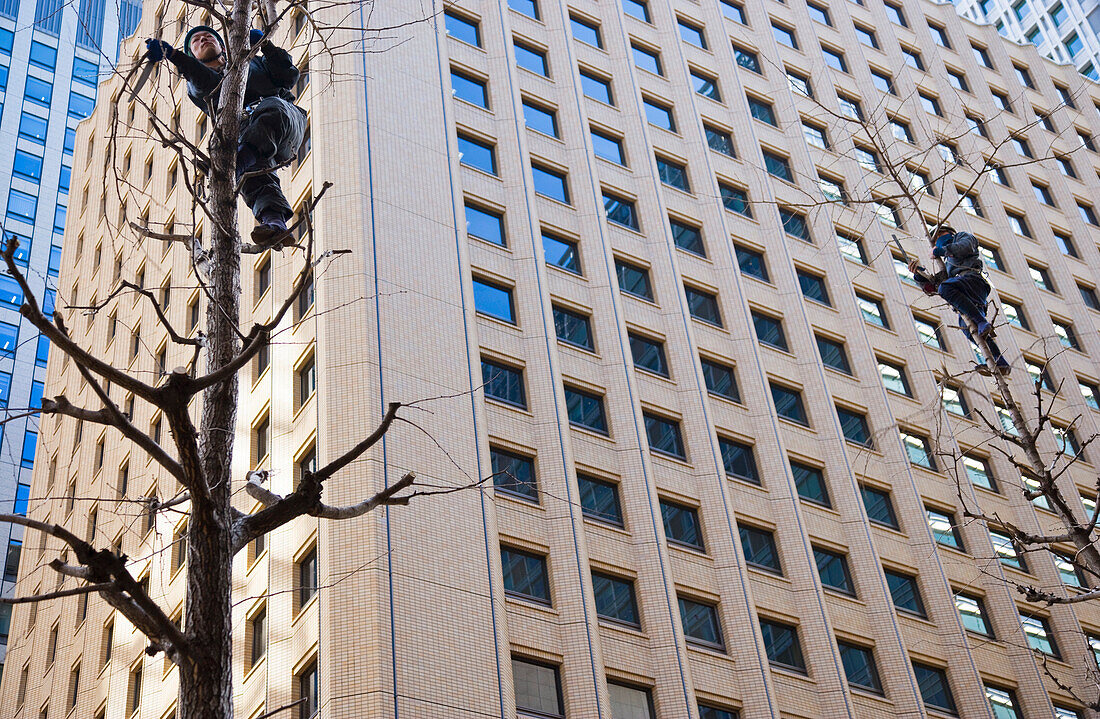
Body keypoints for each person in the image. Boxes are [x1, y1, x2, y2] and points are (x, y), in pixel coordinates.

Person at [145, 26, 306, 246]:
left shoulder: (254, 62)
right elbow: (209, 85)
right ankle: (275, 224)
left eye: (208, 37)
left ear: (222, 46)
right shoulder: (196, 84)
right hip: (250, 137)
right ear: (193, 55)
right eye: (196, 41)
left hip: (286, 121)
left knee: (272, 108)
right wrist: (174, 56)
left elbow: (289, 76)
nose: (203, 40)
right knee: (256, 177)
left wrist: (266, 46)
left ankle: (236, 165)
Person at [909, 225, 1011, 375]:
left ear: (949, 233)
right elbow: (934, 287)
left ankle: (982, 321)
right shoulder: (948, 265)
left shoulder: (962, 237)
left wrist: (941, 251)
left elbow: (964, 247)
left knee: (947, 289)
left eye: (939, 235)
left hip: (973, 280)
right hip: (965, 292)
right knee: (968, 328)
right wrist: (919, 275)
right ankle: (1000, 362)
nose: (938, 240)